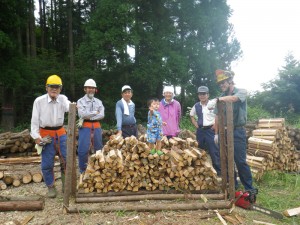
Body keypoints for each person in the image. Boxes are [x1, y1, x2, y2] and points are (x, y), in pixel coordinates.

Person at [214, 69, 256, 192]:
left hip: (237, 131)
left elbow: (233, 98)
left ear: (230, 81)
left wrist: (219, 100)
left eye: (224, 82)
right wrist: (216, 134)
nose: (222, 85)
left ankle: (249, 188)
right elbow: (217, 116)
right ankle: (233, 185)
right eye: (220, 84)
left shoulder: (241, 91)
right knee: (226, 159)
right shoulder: (221, 97)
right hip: (224, 131)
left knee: (240, 160)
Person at [30, 75, 70, 198]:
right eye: (52, 86)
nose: (54, 89)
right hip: (46, 135)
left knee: (66, 161)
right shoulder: (39, 101)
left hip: (61, 133)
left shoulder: (63, 99)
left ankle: (66, 185)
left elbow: (70, 107)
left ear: (60, 88)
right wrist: (36, 136)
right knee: (47, 164)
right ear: (46, 87)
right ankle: (51, 187)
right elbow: (34, 121)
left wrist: (78, 106)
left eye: (57, 87)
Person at [190, 86, 221, 175]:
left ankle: (218, 172)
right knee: (199, 149)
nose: (202, 96)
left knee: (214, 150)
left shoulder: (212, 104)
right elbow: (191, 115)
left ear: (208, 95)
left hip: (210, 130)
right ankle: (201, 171)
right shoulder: (196, 105)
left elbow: (218, 115)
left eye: (204, 94)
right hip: (200, 131)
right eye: (200, 94)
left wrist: (215, 125)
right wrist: (196, 125)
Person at [77, 79, 105, 174]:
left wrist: (90, 116)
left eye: (93, 88)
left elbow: (102, 115)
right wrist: (95, 113)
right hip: (85, 125)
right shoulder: (80, 101)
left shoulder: (99, 102)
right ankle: (83, 171)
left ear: (95, 89)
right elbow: (82, 115)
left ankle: (98, 170)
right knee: (83, 149)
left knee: (98, 148)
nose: (91, 90)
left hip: (97, 125)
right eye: (89, 88)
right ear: (85, 89)